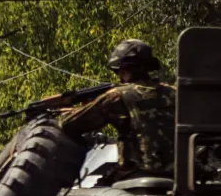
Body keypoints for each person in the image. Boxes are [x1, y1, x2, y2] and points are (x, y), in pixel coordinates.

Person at [59, 39, 176, 182]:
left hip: (136, 176)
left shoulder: (117, 96)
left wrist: (70, 110)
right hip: (182, 176)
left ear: (126, 72)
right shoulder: (175, 93)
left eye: (119, 72)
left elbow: (69, 124)